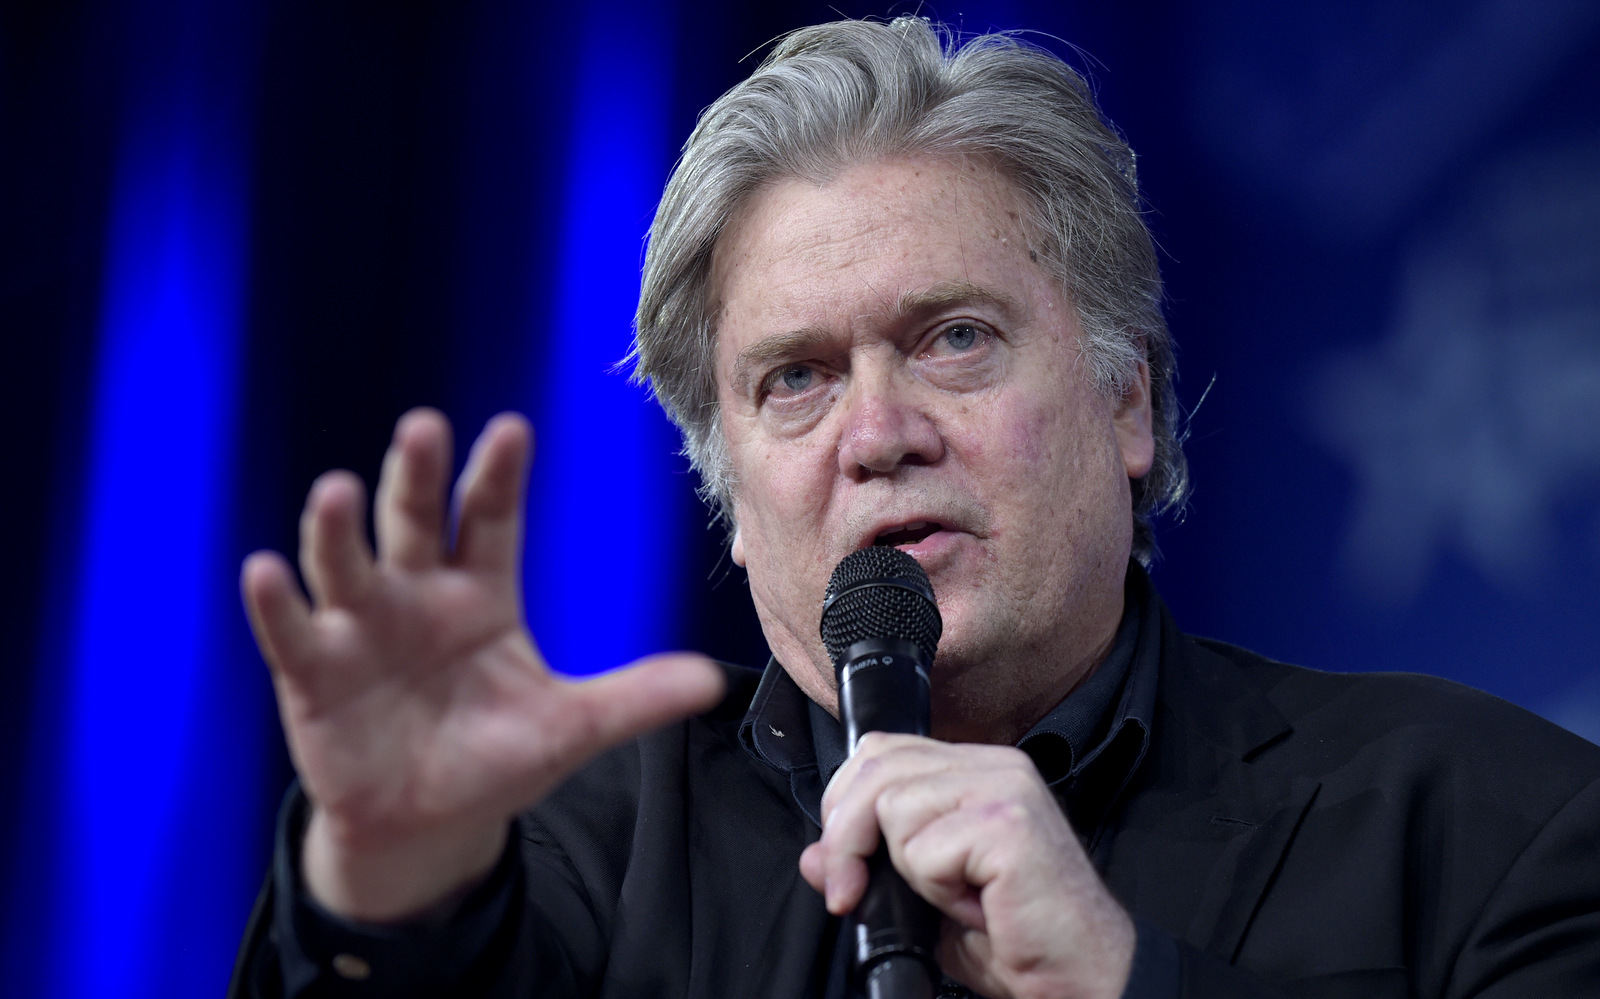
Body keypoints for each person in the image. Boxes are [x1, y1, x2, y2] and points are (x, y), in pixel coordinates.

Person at [230, 17, 1600, 999]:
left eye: (953, 339)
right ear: (734, 498)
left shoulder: (1491, 823)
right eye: (798, 379)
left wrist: (1128, 987)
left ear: (1129, 400)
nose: (877, 435)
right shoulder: (552, 860)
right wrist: (389, 886)